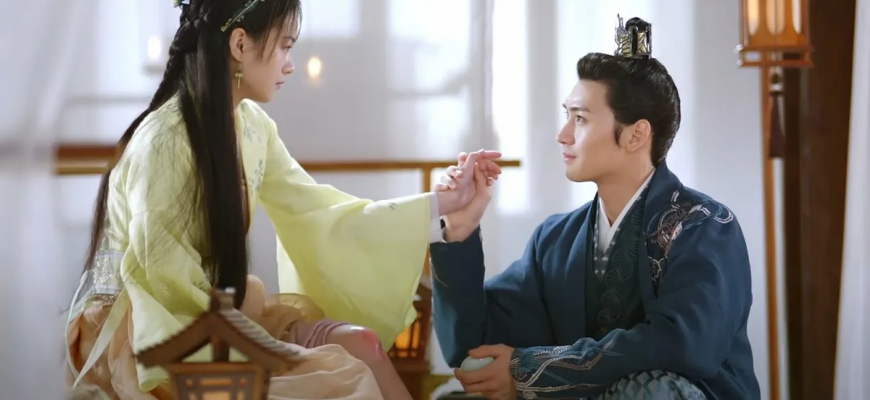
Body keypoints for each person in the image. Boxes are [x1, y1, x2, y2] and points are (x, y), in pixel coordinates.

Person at [63, 1, 502, 399]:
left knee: (362, 344)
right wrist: (256, 343)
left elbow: (320, 213)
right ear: (240, 44)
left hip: (214, 311)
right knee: (344, 378)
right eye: (285, 46)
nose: (290, 64)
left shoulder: (254, 128)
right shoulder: (162, 143)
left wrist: (441, 205)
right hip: (150, 331)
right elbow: (165, 283)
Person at [430, 16, 761, 400]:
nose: (563, 135)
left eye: (581, 119)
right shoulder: (556, 240)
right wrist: (459, 232)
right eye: (567, 116)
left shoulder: (705, 227)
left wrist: (531, 370)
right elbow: (474, 353)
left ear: (636, 134)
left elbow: (684, 345)